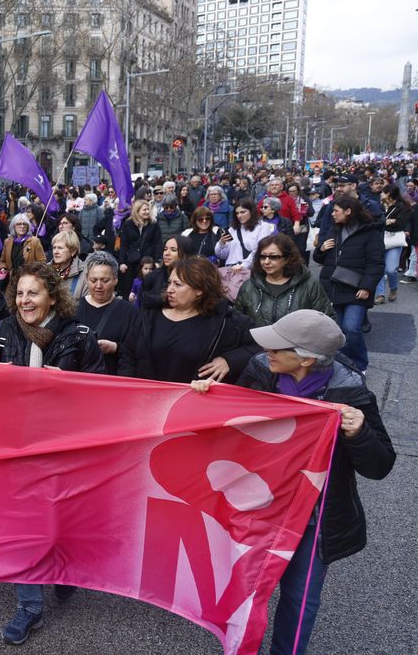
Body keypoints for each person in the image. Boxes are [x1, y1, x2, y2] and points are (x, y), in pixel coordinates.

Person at [189, 310, 394, 655]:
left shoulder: (349, 392)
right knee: (241, 587)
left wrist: (359, 433)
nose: (266, 352)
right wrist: (207, 397)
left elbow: (380, 466)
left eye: (276, 348)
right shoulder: (260, 369)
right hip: (256, 505)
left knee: (300, 598)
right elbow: (230, 425)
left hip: (312, 515)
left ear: (306, 359)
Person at [0, 263, 103, 645]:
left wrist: (70, 387)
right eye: (19, 293)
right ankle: (30, 607)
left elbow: (102, 394)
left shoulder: (80, 336)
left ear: (52, 295)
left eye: (33, 292)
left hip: (62, 447)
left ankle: (65, 568)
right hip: (15, 446)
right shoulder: (1, 332)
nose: (24, 300)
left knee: (61, 520)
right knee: (22, 526)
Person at [118, 256, 257, 384]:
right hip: (147, 398)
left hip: (196, 400)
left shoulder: (225, 321)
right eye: (169, 283)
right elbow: (128, 355)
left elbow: (259, 346)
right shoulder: (148, 316)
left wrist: (229, 361)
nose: (170, 289)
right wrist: (130, 387)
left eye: (178, 284)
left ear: (199, 290)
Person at [314, 195, 384, 373]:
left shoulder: (371, 233)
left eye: (336, 211)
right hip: (334, 286)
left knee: (351, 328)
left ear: (348, 211)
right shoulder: (334, 230)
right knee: (338, 330)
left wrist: (367, 286)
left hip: (357, 288)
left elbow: (376, 263)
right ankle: (345, 362)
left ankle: (360, 364)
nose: (332, 214)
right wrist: (321, 249)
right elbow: (320, 259)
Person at [235, 234, 333, 328]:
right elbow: (237, 322)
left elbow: (327, 321)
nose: (266, 262)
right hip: (257, 340)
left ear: (287, 259)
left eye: (273, 257)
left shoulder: (309, 285)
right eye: (263, 256)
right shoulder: (248, 287)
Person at [74, 252, 139, 375]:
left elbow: (139, 351)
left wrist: (115, 347)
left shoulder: (130, 313)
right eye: (93, 280)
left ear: (115, 279)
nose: (98, 286)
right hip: (77, 379)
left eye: (105, 280)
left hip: (112, 379)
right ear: (86, 279)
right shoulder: (73, 309)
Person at [215, 200, 276, 301]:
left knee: (246, 300)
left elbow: (260, 250)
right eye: (237, 213)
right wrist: (222, 243)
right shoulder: (233, 229)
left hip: (249, 271)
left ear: (251, 211)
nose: (239, 215)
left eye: (243, 212)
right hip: (231, 271)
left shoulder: (263, 227)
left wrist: (244, 265)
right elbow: (223, 255)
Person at [374, 184, 411, 304]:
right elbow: (374, 220)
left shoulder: (402, 206)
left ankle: (393, 288)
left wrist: (387, 221)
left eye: (383, 192)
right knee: (379, 268)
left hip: (394, 240)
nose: (381, 194)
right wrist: (389, 221)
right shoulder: (379, 205)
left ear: (389, 194)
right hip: (379, 238)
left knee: (390, 269)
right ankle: (380, 295)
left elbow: (400, 223)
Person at [138, 235, 196, 312]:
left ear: (185, 253)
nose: (166, 253)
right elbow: (142, 301)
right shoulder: (153, 276)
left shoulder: (194, 277)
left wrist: (157, 300)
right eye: (165, 249)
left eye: (173, 250)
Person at [117, 200, 161, 297]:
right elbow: (124, 245)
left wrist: (157, 261)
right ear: (137, 211)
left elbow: (157, 243)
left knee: (147, 288)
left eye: (148, 209)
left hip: (148, 260)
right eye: (144, 210)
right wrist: (122, 262)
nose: (147, 212)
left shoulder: (154, 224)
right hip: (132, 261)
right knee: (129, 289)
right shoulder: (128, 224)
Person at [49, 231, 86, 298]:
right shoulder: (45, 271)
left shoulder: (84, 274)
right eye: (54, 248)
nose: (55, 252)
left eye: (60, 248)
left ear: (73, 251)